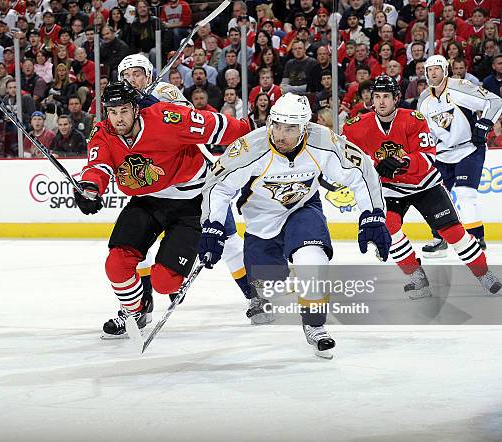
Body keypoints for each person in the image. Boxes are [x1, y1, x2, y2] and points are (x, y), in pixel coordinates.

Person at [199, 93, 390, 359]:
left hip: (302, 209)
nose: (280, 134)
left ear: (304, 128)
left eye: (290, 128)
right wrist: (213, 225)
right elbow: (218, 187)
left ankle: (315, 325)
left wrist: (373, 215)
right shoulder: (250, 148)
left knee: (312, 259)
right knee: (268, 286)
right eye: (276, 125)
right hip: (261, 221)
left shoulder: (323, 141)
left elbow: (361, 171)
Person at [73, 82, 252, 338]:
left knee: (164, 281)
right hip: (147, 201)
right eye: (112, 112)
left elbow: (218, 127)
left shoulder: (168, 118)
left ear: (136, 109)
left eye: (123, 111)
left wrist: (250, 132)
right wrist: (89, 189)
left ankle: (248, 292)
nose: (118, 118)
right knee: (116, 263)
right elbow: (98, 165)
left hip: (190, 203)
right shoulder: (103, 132)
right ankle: (135, 310)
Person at [117, 54, 272, 324]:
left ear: (149, 76)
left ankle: (255, 296)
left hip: (193, 185)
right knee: (136, 246)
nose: (132, 79)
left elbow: (189, 119)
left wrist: (151, 104)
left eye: (138, 74)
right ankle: (141, 305)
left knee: (228, 239)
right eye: (127, 75)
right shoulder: (118, 106)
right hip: (152, 188)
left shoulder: (165, 91)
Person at [344, 75, 501, 297]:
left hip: (424, 183)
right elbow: (347, 157)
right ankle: (416, 276)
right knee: (389, 226)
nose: (380, 102)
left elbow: (428, 157)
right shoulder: (356, 127)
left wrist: (401, 162)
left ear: (396, 98)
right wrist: (371, 165)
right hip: (390, 189)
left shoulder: (414, 119)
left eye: (386, 97)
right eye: (376, 97)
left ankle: (483, 273)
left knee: (453, 232)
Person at [417, 55, 502, 255]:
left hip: (469, 149)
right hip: (442, 155)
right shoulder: (423, 100)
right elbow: (424, 129)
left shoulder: (459, 87)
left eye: (437, 68)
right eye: (429, 70)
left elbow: (495, 101)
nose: (433, 73)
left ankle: (475, 237)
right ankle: (440, 238)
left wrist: (485, 123)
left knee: (465, 194)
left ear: (445, 70)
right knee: (434, 197)